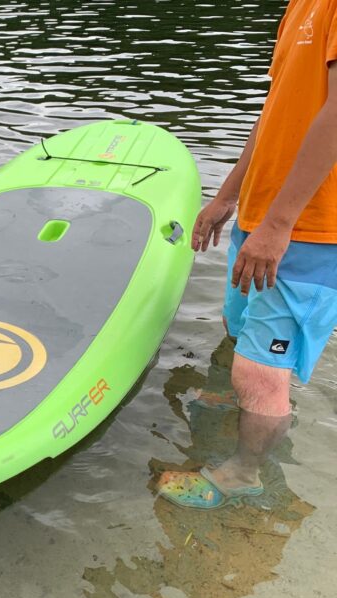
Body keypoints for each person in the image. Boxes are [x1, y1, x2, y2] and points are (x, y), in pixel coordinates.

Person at [159, 0, 337, 509]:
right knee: (240, 330)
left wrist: (281, 224)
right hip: (263, 214)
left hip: (312, 226)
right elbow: (275, 112)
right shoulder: (302, 5)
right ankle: (255, 408)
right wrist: (227, 197)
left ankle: (243, 473)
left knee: (259, 369)